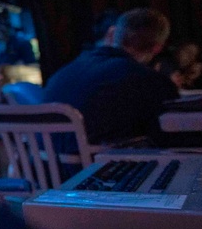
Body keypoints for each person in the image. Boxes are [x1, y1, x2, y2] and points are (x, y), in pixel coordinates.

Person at [42, 8, 178, 145]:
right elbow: (170, 133)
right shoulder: (148, 81)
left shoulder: (63, 73)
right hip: (103, 163)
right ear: (157, 48)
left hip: (47, 162)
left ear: (113, 34)